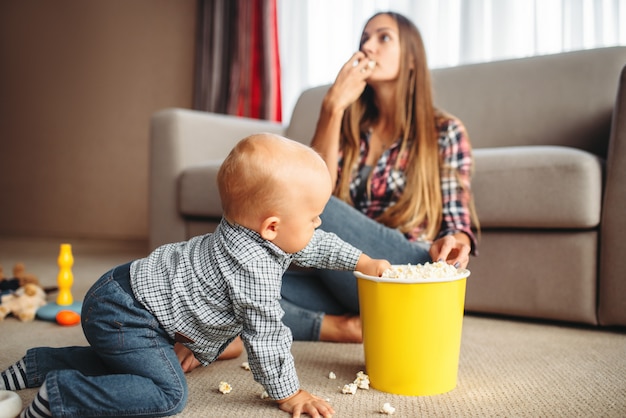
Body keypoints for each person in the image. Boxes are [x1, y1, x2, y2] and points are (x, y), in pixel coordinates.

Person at [0, 133, 390, 418]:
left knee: (132, 364)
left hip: (119, 294)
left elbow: (317, 245)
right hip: (127, 314)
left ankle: (39, 365)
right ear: (272, 227)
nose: (318, 223)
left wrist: (363, 262)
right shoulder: (252, 267)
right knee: (168, 394)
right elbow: (267, 336)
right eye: (313, 217)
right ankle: (62, 395)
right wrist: (289, 394)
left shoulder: (256, 233)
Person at [279, 11, 479, 343]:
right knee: (248, 283)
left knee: (308, 202)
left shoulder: (444, 132)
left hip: (408, 270)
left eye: (383, 37)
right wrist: (332, 108)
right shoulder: (351, 131)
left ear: (412, 58)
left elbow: (458, 222)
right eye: (364, 39)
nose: (369, 47)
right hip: (352, 275)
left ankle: (366, 318)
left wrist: (456, 243)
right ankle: (345, 327)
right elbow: (316, 184)